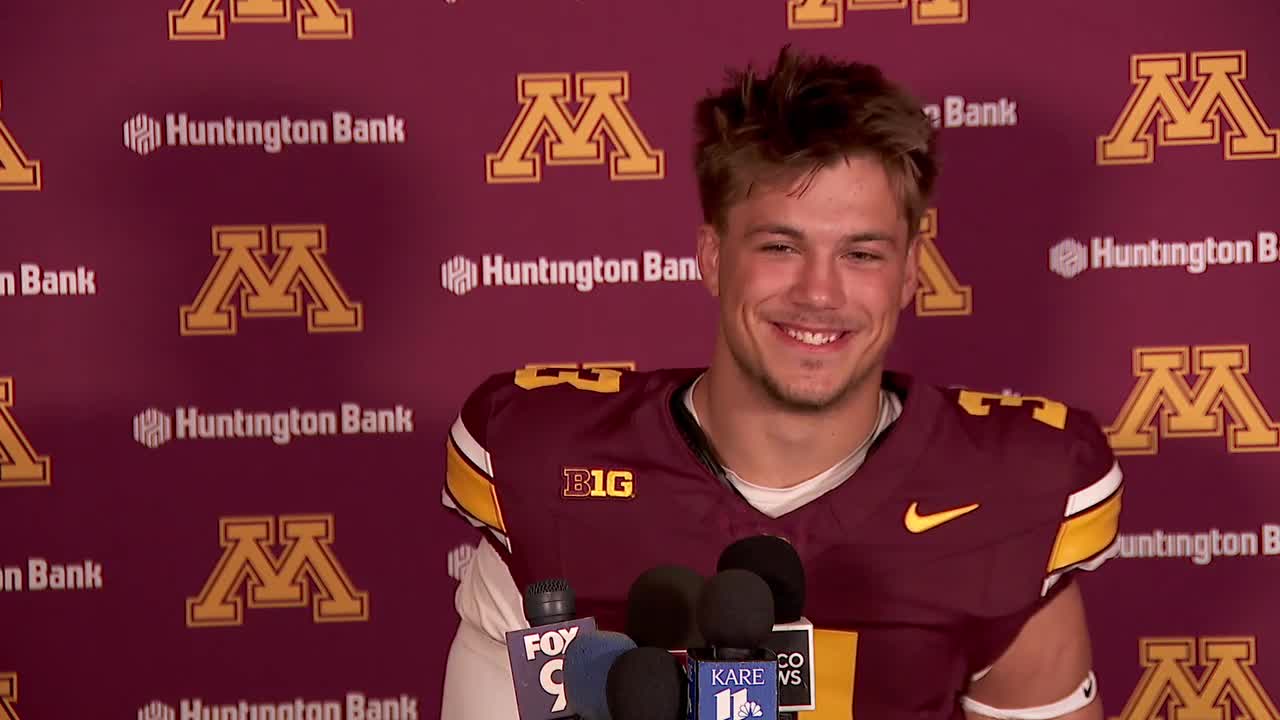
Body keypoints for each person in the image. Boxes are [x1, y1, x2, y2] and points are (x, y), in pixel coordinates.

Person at [439, 44, 1123, 720]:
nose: (819, 292)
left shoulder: (1008, 493)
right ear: (713, 257)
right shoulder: (551, 465)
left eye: (860, 253)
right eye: (780, 247)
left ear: (912, 271)